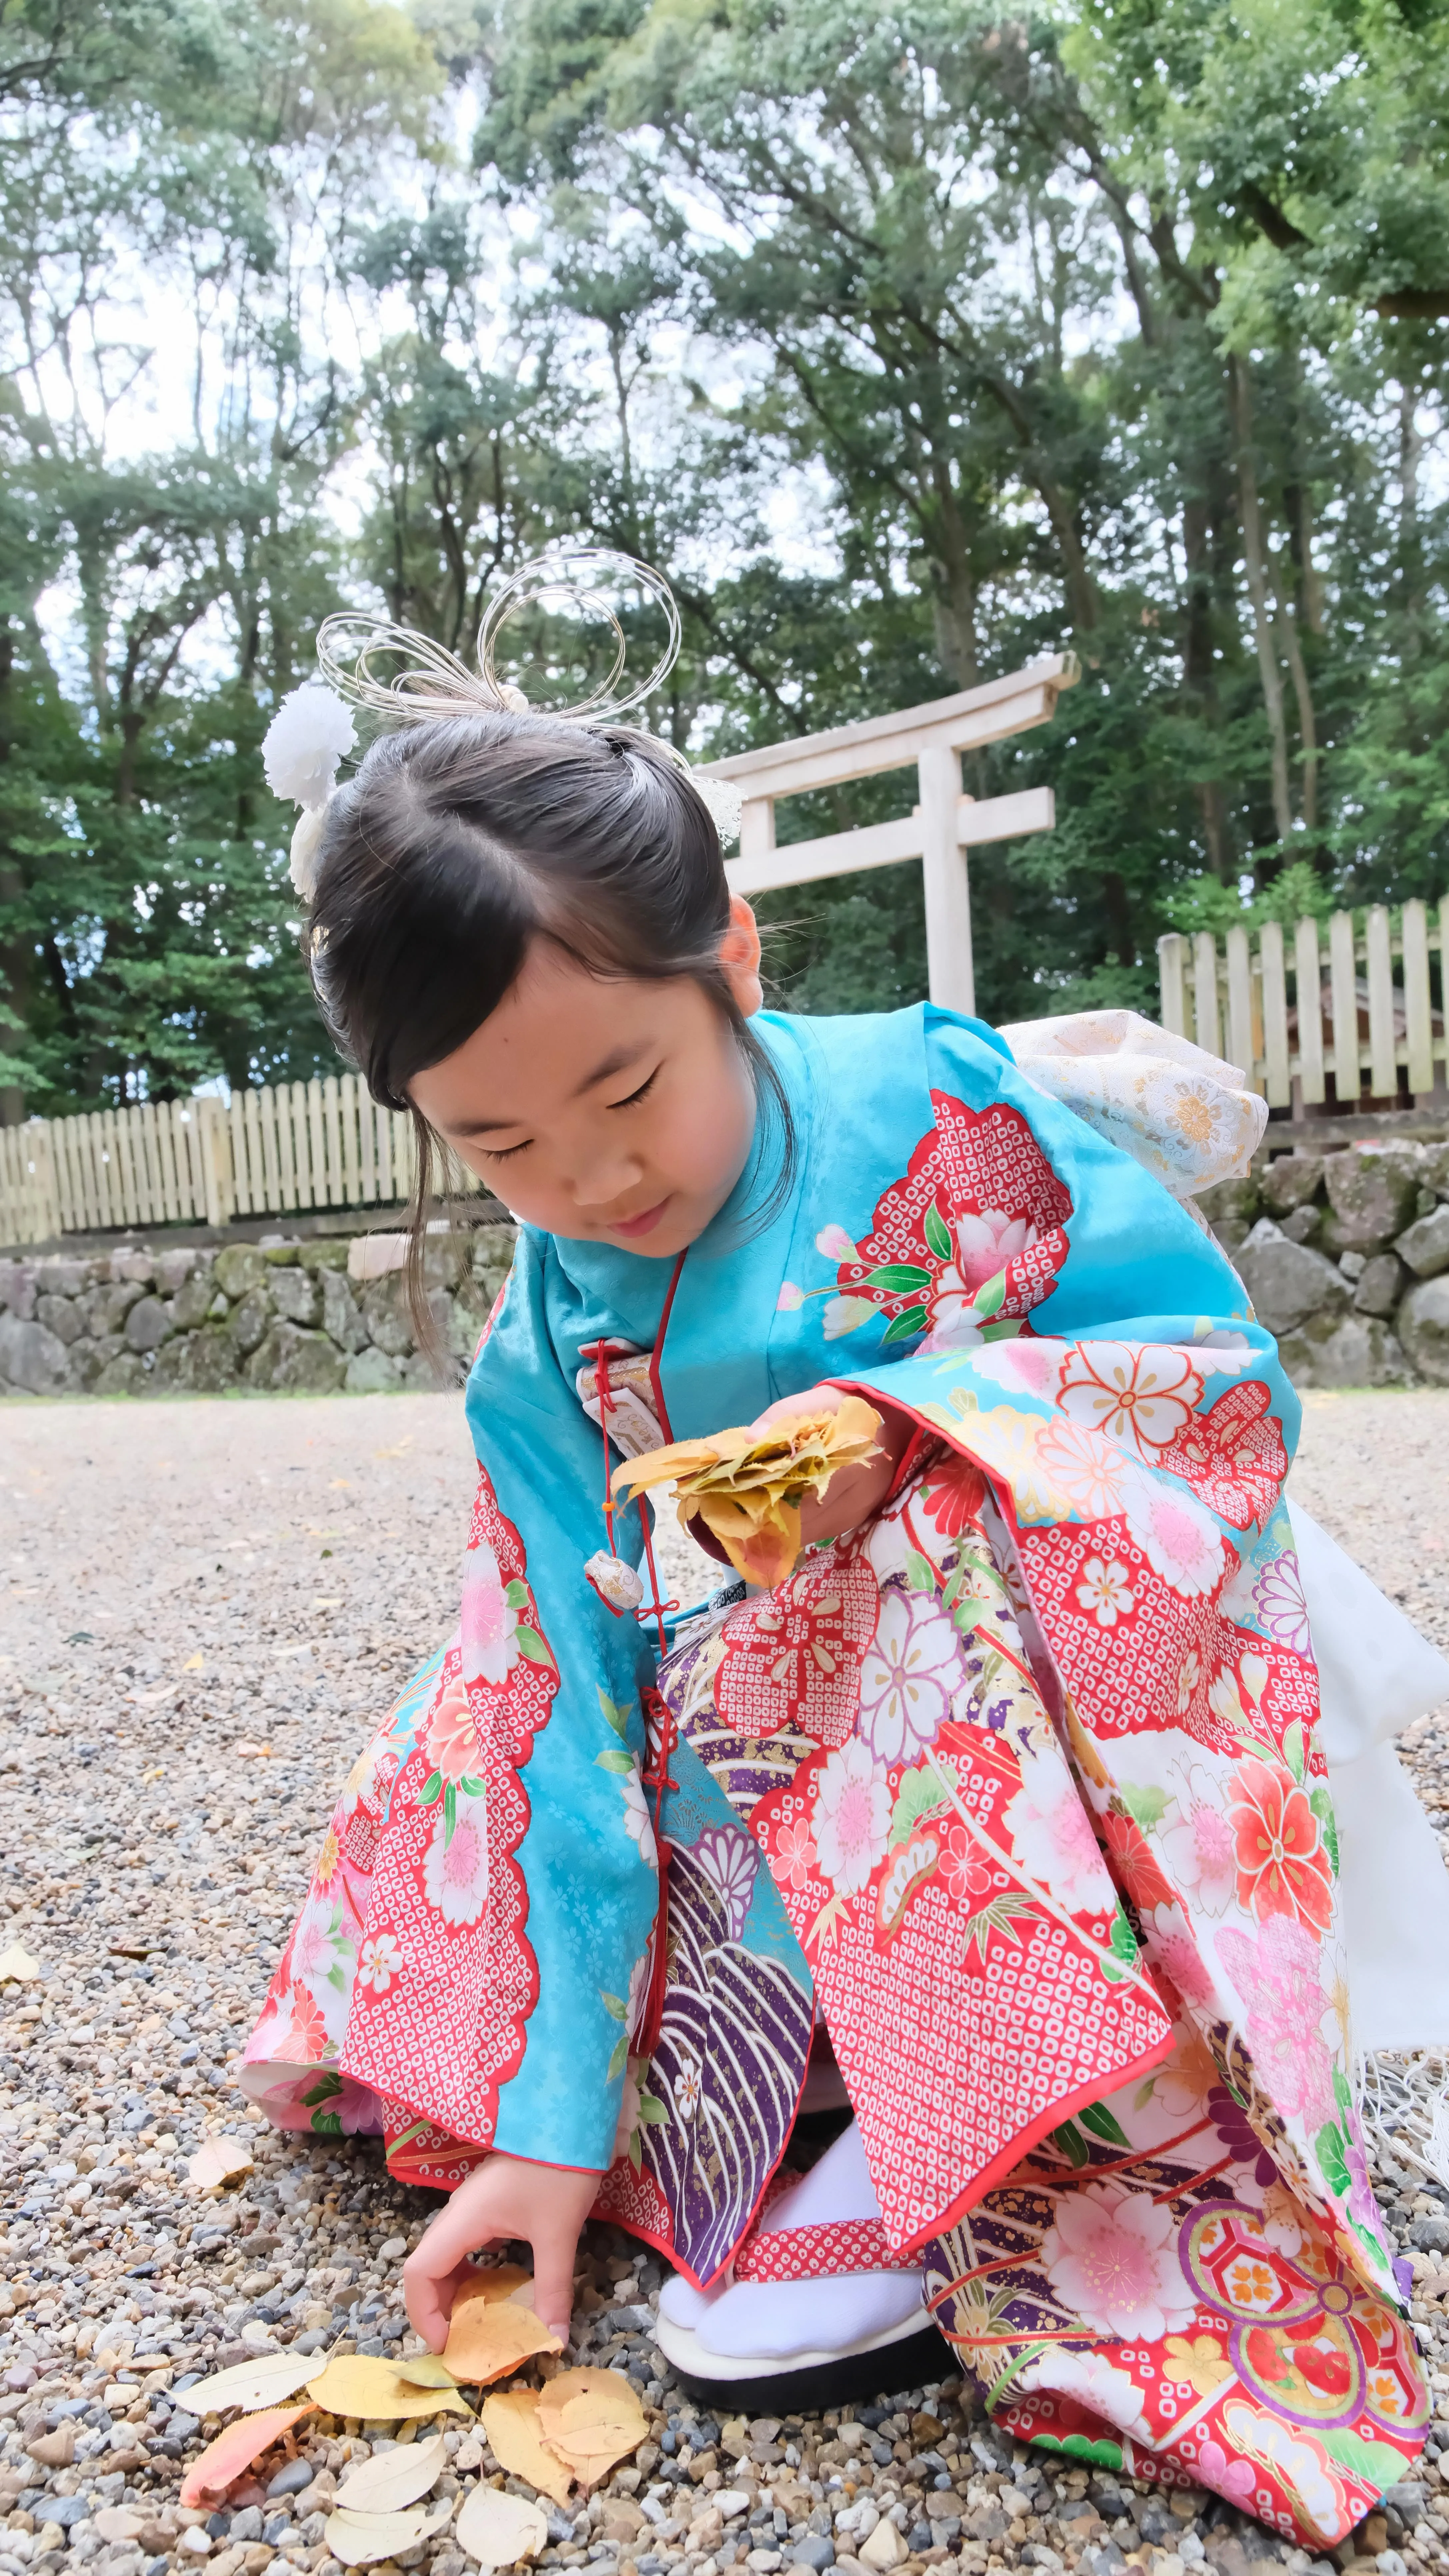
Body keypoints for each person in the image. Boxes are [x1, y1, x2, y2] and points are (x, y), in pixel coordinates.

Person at [243, 555, 1443, 2548]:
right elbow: (557, 1699)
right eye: (497, 1146)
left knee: (896, 1571)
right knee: (502, 1689)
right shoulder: (547, 1340)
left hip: (1033, 1699)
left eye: (625, 1088)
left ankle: (985, 2119)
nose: (592, 1182)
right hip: (754, 1776)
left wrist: (919, 1434)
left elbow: (1209, 1385)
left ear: (732, 946)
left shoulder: (940, 1105)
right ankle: (765, 2081)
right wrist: (548, 2134)